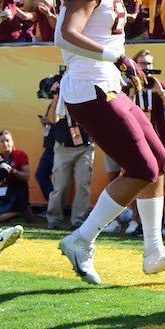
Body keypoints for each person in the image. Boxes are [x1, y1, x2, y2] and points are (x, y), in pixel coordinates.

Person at [53, 0, 165, 285]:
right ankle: (81, 240)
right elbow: (66, 35)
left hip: (108, 84)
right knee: (142, 168)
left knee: (159, 161)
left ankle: (153, 250)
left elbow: (105, 33)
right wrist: (116, 58)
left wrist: (120, 56)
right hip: (92, 88)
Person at [132, 50, 165, 238]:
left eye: (149, 64)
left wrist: (159, 91)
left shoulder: (161, 84)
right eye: (143, 64)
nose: (147, 67)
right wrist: (135, 89)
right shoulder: (130, 85)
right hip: (137, 140)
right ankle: (140, 223)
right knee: (138, 181)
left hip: (160, 139)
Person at [45, 86, 95, 230]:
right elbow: (52, 119)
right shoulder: (59, 99)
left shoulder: (87, 94)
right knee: (60, 186)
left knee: (83, 184)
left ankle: (78, 220)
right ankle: (54, 219)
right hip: (63, 148)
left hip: (85, 147)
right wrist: (56, 96)